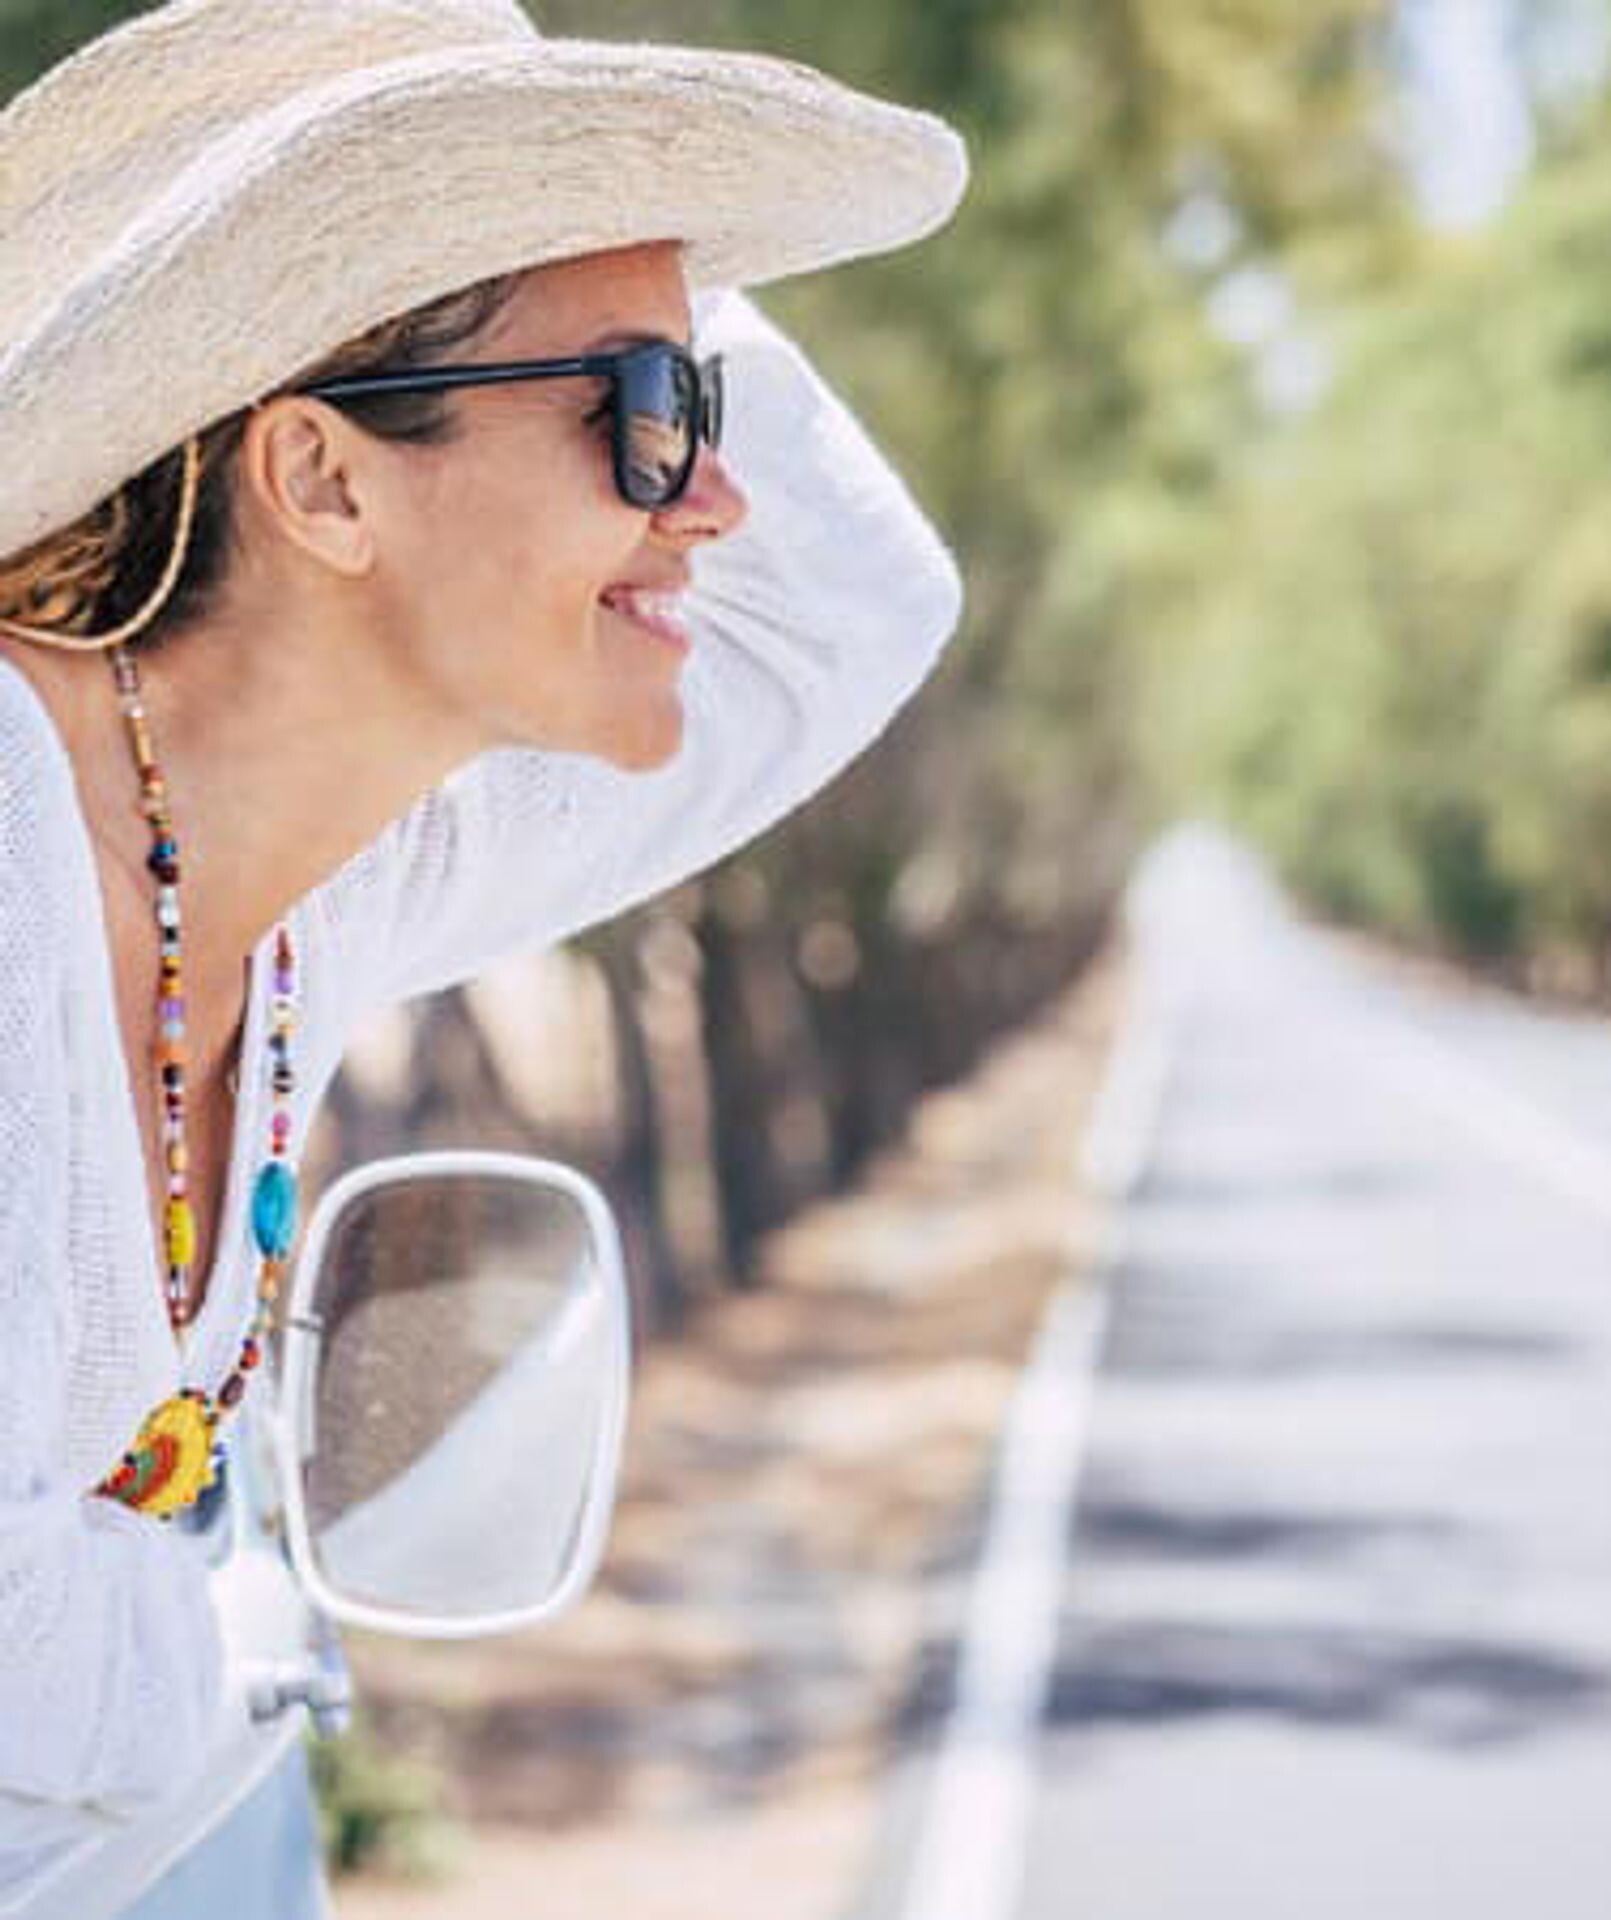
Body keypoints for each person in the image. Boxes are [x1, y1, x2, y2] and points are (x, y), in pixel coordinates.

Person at [0, 0, 967, 1912]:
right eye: (647, 416)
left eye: (703, 409)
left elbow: (855, 605)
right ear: (323, 481)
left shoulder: (322, 875)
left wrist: (524, 143)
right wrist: (245, 1641)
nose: (715, 498)